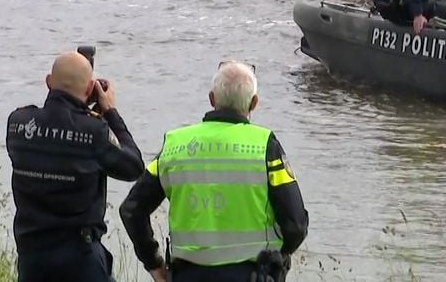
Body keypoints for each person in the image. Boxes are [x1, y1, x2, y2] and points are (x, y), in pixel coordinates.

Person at [119, 61, 309, 282]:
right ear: (254, 103)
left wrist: (155, 265)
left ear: (211, 99)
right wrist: (279, 258)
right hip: (252, 274)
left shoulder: (175, 146)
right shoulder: (265, 147)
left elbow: (132, 210)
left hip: (187, 275)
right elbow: (296, 225)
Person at [6, 50, 145, 282]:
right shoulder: (93, 132)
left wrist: (82, 111)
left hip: (32, 257)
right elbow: (133, 166)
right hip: (80, 257)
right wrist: (109, 112)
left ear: (48, 82)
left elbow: (53, 137)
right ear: (90, 89)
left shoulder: (17, 123)